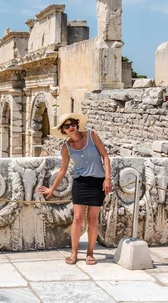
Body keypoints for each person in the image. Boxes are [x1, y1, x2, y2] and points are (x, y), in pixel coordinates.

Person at [38, 113, 112, 266]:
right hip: (80, 183)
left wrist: (107, 178)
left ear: (77, 125)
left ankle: (90, 253)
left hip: (97, 183)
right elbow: (62, 170)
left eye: (73, 124)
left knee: (93, 219)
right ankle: (74, 252)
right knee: (78, 219)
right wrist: (51, 189)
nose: (71, 127)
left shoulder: (92, 135)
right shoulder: (66, 147)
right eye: (66, 126)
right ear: (63, 130)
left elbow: (105, 156)